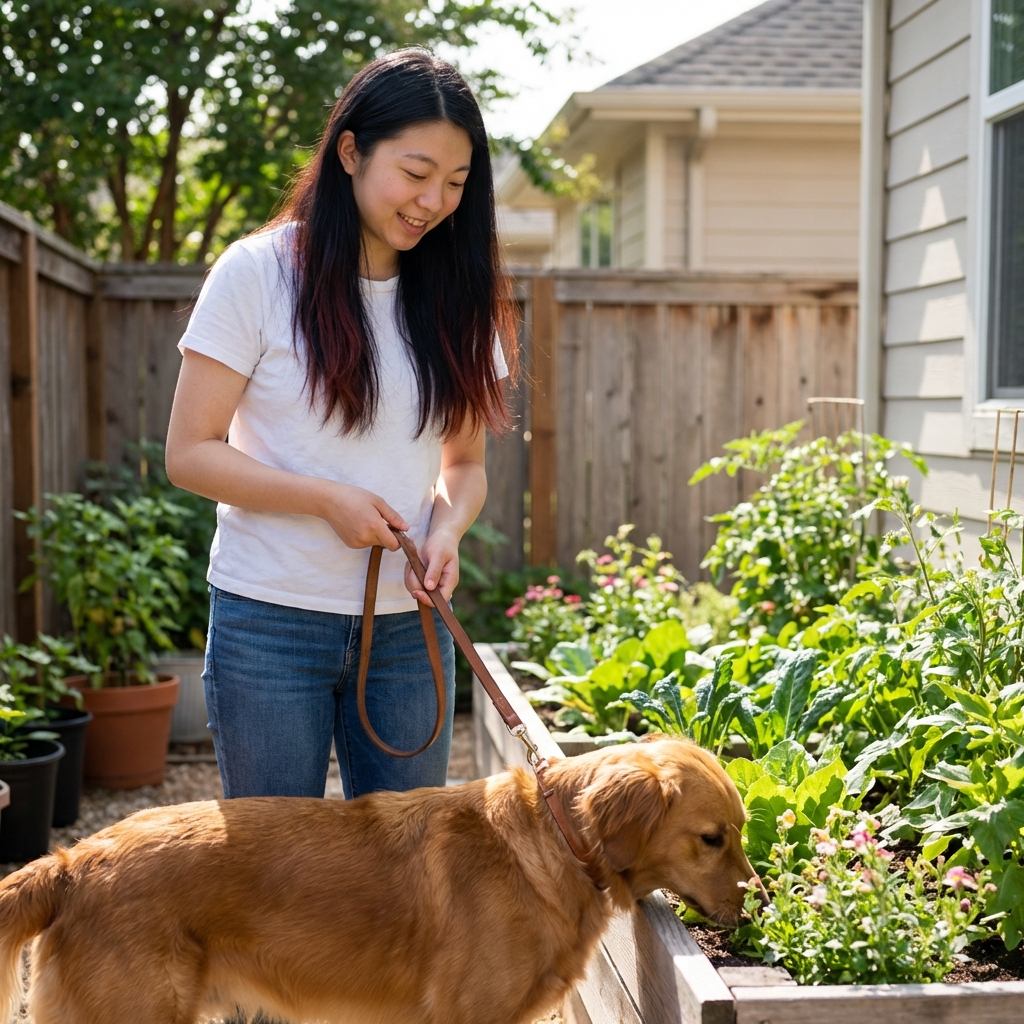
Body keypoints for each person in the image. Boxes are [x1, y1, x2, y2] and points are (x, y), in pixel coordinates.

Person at [165, 48, 515, 801]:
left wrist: (446, 532)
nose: (433, 201)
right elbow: (189, 454)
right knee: (273, 881)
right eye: (416, 174)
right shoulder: (257, 273)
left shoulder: (459, 295)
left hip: (409, 633)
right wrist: (328, 499)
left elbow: (464, 466)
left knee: (406, 883)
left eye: (455, 184)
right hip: (268, 622)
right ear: (351, 151)